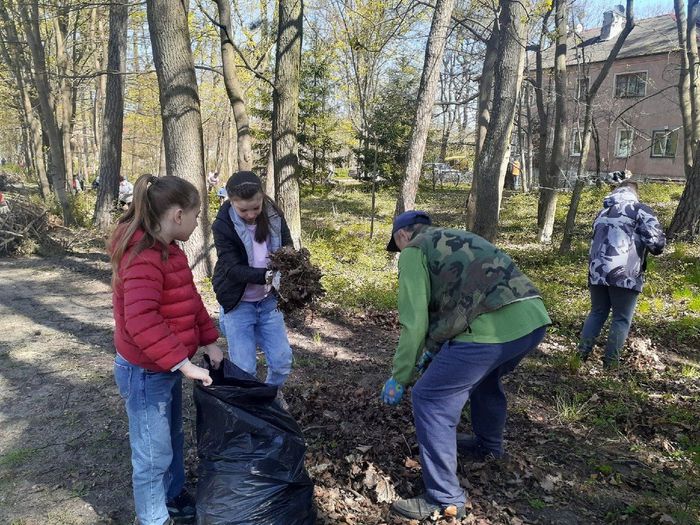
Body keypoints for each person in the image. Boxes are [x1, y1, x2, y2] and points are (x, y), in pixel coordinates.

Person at [381, 210, 551, 521]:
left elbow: (414, 321)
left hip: (487, 329)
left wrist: (400, 376)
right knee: (484, 380)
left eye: (397, 246)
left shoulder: (414, 250)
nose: (399, 254)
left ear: (403, 235)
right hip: (532, 318)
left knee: (430, 398)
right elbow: (454, 302)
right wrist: (431, 351)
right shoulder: (456, 237)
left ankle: (444, 497)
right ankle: (488, 445)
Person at [108, 174, 224, 525]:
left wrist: (209, 340)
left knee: (170, 438)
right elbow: (141, 321)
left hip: (165, 367)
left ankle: (173, 496)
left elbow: (189, 300)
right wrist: (183, 364)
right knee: (151, 455)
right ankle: (154, 518)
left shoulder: (169, 252)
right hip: (145, 372)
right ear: (177, 215)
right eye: (195, 213)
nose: (197, 221)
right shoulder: (142, 257)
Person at [212, 170, 294, 407]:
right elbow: (231, 268)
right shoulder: (223, 224)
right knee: (244, 368)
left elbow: (286, 246)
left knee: (281, 361)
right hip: (238, 304)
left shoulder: (274, 215)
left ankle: (269, 395)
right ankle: (251, 408)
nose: (250, 214)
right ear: (231, 202)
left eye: (255, 208)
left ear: (262, 198)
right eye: (243, 210)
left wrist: (291, 265)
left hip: (268, 302)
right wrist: (268, 275)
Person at [577, 179, 666, 368]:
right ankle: (610, 366)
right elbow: (657, 245)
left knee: (597, 312)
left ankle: (578, 358)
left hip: (597, 271)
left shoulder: (602, 211)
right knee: (620, 319)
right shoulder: (640, 209)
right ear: (635, 192)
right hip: (625, 271)